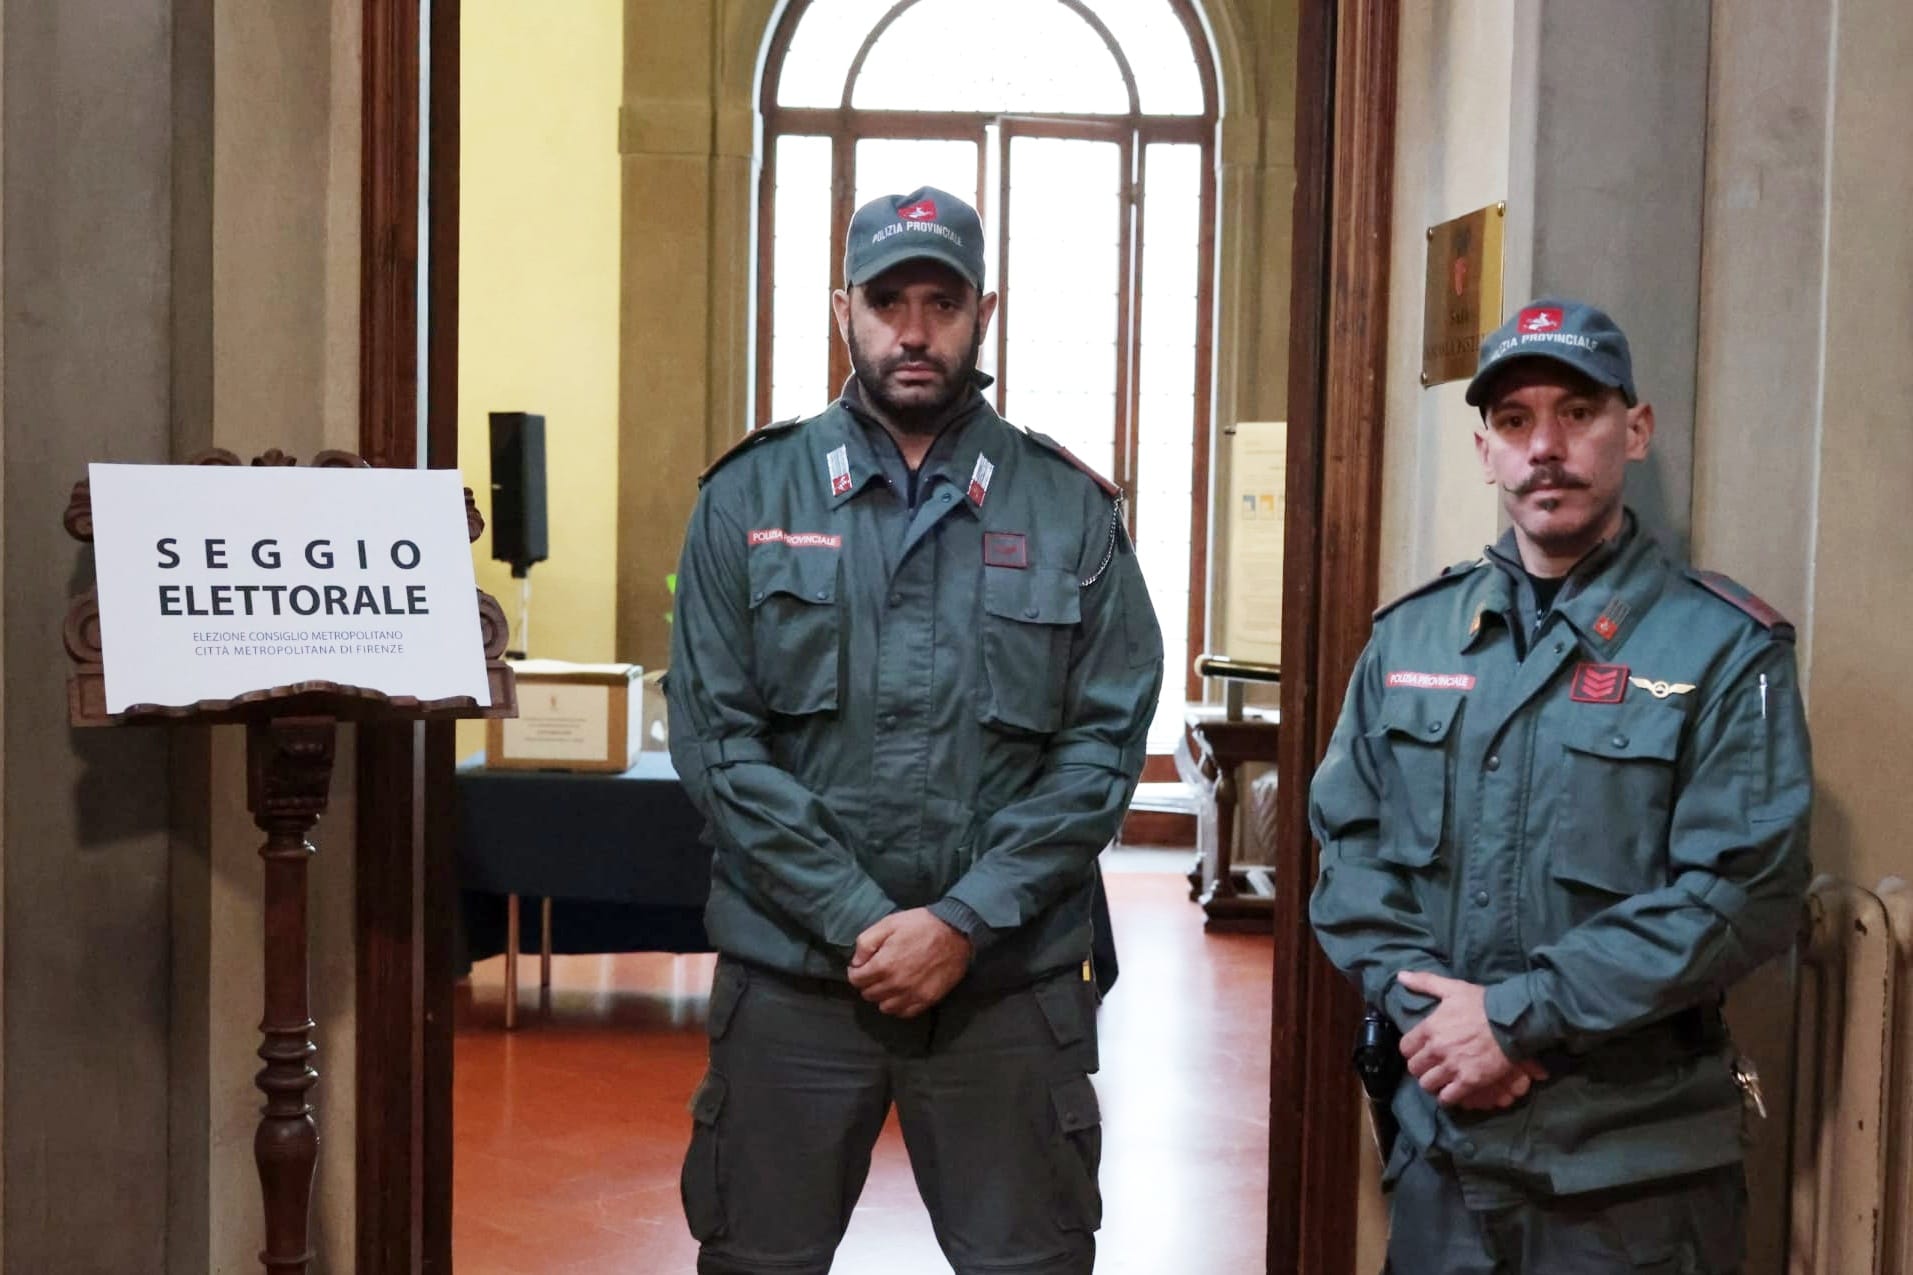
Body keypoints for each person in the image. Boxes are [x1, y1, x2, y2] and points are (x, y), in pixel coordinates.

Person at [666, 185, 1163, 1275]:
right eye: (887, 299)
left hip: (1002, 987)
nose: (912, 328)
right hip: (795, 985)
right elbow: (715, 744)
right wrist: (862, 920)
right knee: (756, 1261)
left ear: (986, 310)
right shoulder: (747, 498)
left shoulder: (1065, 507)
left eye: (940, 300)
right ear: (840, 307)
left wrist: (959, 922)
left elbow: (1100, 751)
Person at [1308, 297, 1812, 1273]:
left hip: (1630, 1176)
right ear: (1483, 450)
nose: (1544, 446)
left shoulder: (1720, 648)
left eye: (1575, 412)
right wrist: (1441, 1029)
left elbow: (1743, 892)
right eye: (1512, 421)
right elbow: (1348, 854)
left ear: (1635, 428)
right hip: (1444, 1152)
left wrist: (1512, 1018)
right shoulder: (1410, 638)